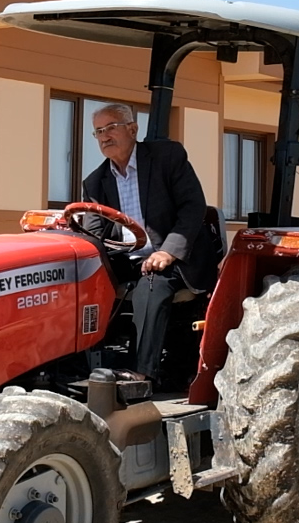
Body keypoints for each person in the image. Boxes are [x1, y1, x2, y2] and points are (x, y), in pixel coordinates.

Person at [79, 103, 218, 380]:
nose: (104, 136)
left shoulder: (167, 157)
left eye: (110, 128)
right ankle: (76, 367)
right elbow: (92, 236)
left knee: (151, 284)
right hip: (128, 260)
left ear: (132, 129)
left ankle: (142, 374)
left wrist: (168, 251)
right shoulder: (95, 182)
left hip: (177, 259)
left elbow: (193, 207)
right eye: (98, 132)